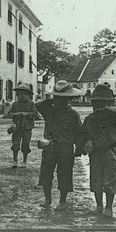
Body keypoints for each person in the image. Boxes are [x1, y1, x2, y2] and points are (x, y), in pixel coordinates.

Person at [36, 80, 85, 211]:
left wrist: (80, 148)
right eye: (57, 98)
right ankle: (48, 199)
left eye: (64, 99)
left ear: (69, 99)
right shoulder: (49, 111)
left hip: (66, 148)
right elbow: (38, 104)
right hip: (49, 146)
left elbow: (79, 132)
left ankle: (63, 201)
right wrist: (52, 99)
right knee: (46, 173)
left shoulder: (73, 114)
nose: (60, 101)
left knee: (65, 174)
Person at [80, 84, 116, 218]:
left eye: (102, 103)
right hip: (95, 153)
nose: (98, 106)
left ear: (109, 104)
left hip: (110, 152)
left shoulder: (111, 116)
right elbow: (83, 134)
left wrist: (105, 108)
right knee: (96, 180)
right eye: (96, 103)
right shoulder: (89, 119)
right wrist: (81, 147)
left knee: (110, 179)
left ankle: (108, 207)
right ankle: (99, 206)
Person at [7, 83, 39, 168]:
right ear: (17, 95)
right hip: (16, 128)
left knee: (26, 144)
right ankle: (15, 161)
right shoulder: (14, 104)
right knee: (15, 144)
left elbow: (35, 114)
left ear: (28, 95)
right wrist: (15, 114)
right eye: (20, 94)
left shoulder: (32, 104)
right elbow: (9, 114)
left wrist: (26, 114)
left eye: (25, 94)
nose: (22, 96)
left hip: (27, 128)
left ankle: (24, 161)